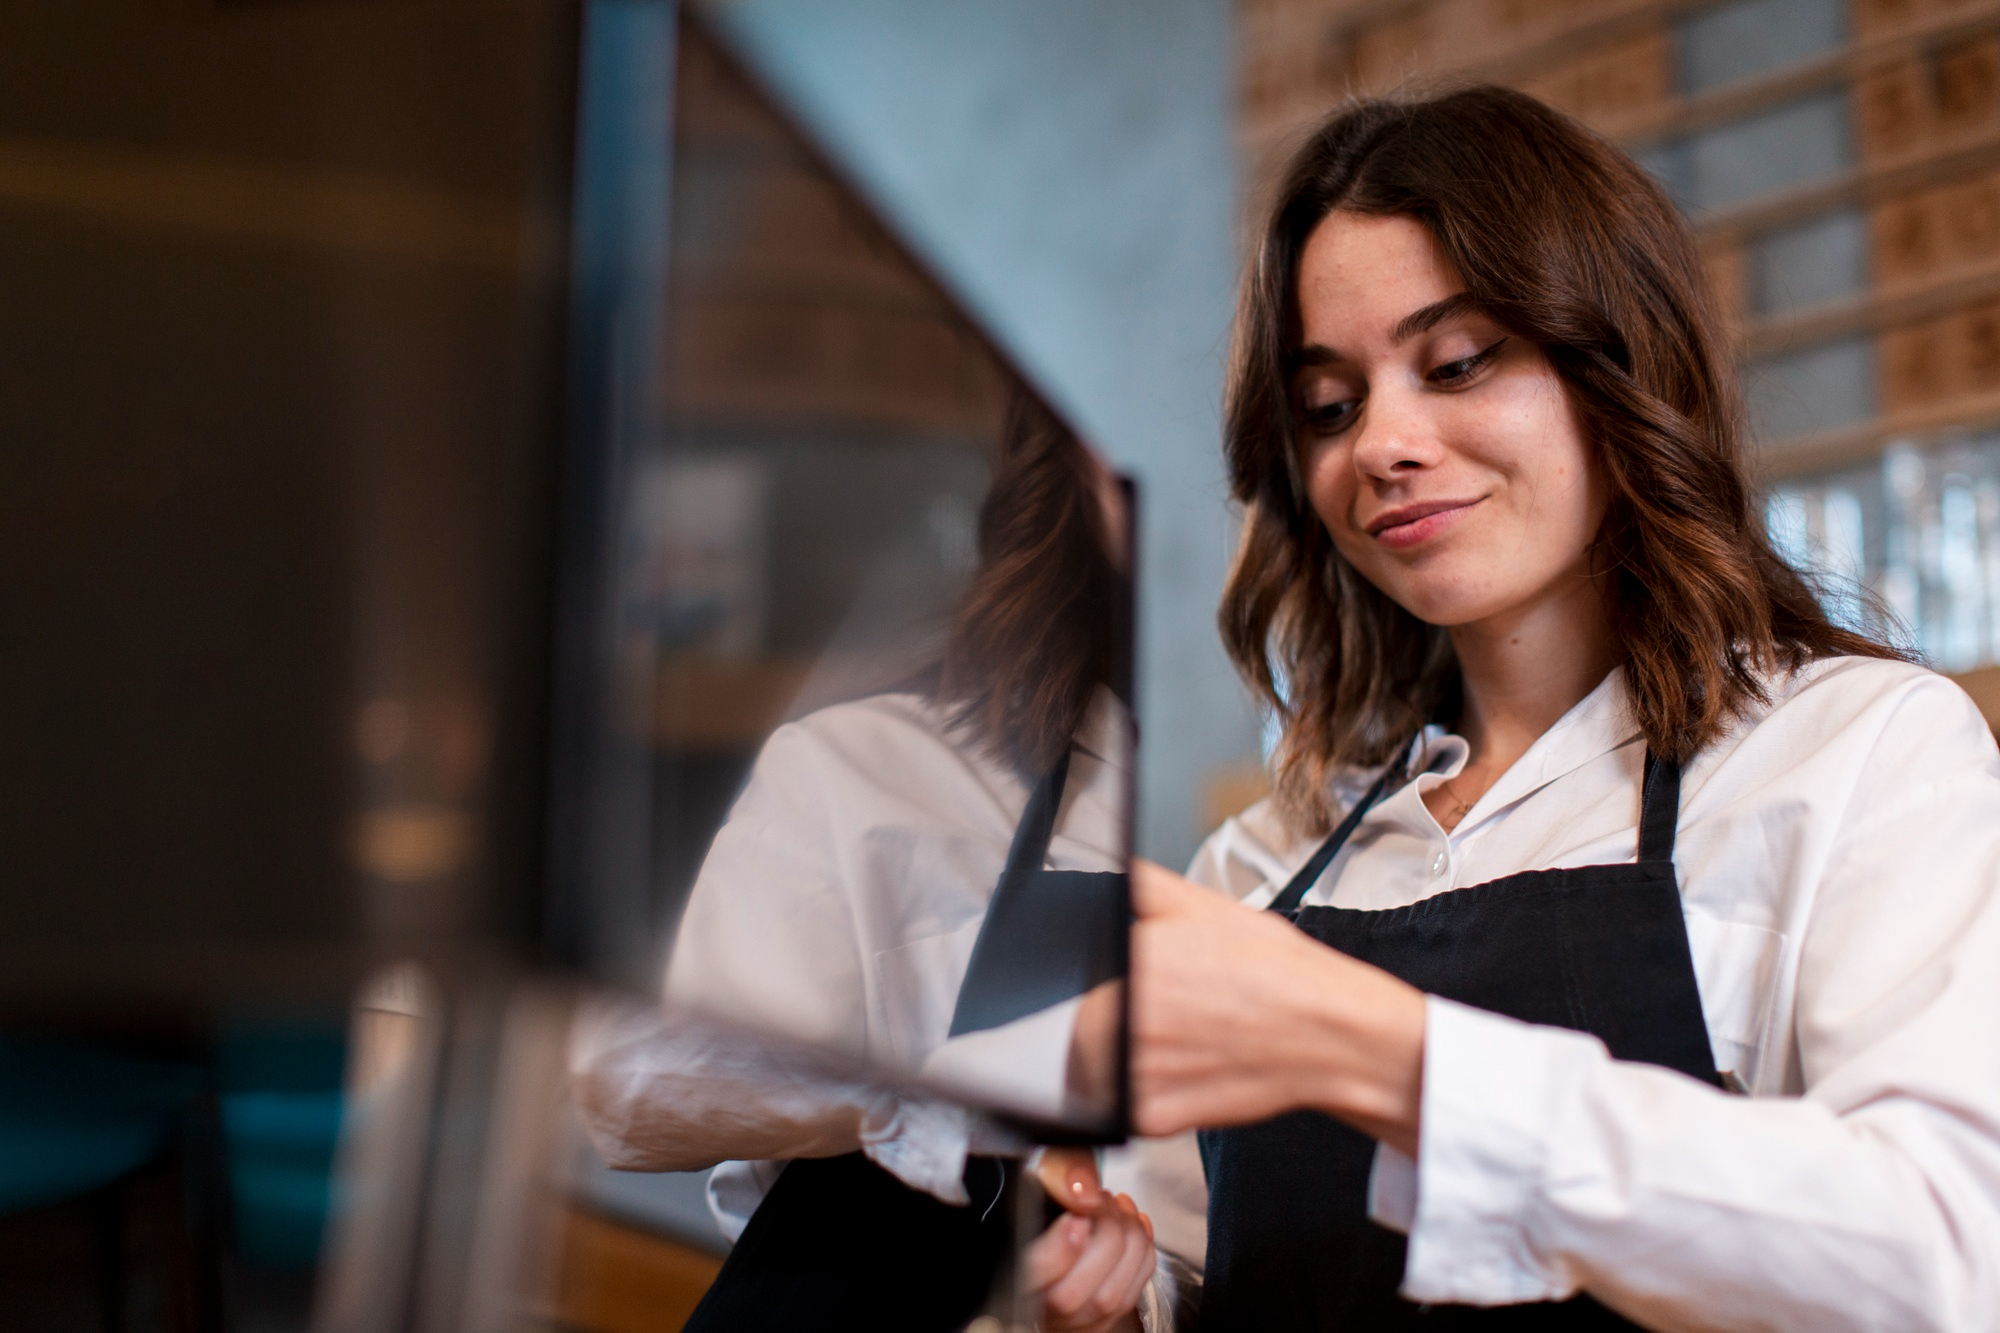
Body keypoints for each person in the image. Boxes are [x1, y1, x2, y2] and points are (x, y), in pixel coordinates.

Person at [1111, 86, 2000, 1330]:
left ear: (1615, 364)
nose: (1382, 443)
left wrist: (1391, 1057)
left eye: (1458, 361)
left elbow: (1941, 1261)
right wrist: (1105, 1287)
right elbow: (1204, 1269)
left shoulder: (1854, 754)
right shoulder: (1263, 861)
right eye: (1329, 405)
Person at [575, 394, 1159, 1333]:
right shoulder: (879, 765)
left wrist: (1120, 1305)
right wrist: (961, 1097)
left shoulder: (1297, 832)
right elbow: (631, 1086)